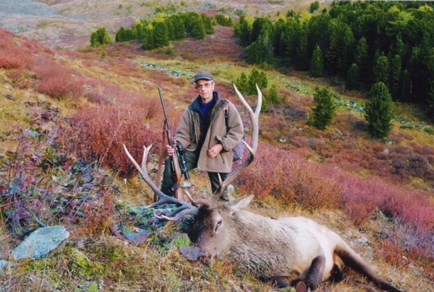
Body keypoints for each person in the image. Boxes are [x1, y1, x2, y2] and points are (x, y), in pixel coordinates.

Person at [160, 71, 244, 201]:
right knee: (172, 164)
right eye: (200, 86)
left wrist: (221, 146)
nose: (203, 89)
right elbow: (183, 133)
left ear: (213, 85)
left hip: (218, 153)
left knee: (221, 193)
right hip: (196, 151)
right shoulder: (191, 109)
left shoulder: (226, 107)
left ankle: (222, 217)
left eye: (206, 84)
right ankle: (164, 203)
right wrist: (176, 145)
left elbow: (237, 131)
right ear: (196, 88)